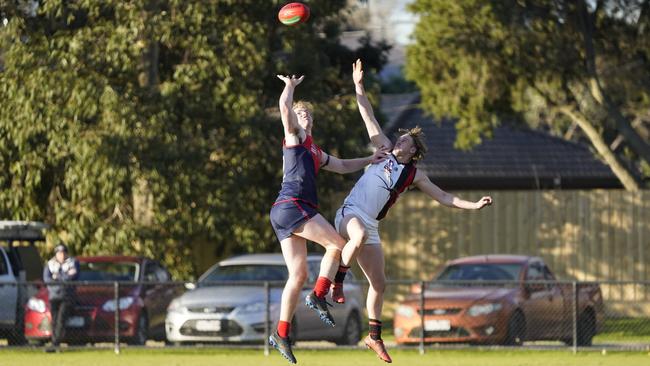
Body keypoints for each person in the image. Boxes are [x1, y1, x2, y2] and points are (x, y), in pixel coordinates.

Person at [332, 60, 493, 363]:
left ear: (411, 151)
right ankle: (337, 282)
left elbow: (444, 197)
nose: (398, 140)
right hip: (349, 213)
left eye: (404, 140)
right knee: (360, 233)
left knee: (380, 284)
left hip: (370, 226)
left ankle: (374, 337)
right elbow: (367, 114)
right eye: (399, 138)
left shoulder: (413, 175)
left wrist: (473, 205)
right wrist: (358, 87)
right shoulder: (381, 149)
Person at [268, 74, 388, 364]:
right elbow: (284, 109)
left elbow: (343, 165)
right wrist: (289, 87)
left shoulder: (315, 150)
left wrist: (368, 160)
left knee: (297, 276)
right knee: (337, 244)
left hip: (285, 213)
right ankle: (320, 294)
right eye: (300, 113)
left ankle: (281, 333)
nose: (303, 115)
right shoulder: (294, 138)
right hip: (293, 206)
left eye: (307, 112)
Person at [43, 243, 80, 346]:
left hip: (67, 297)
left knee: (61, 319)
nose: (62, 255)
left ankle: (55, 343)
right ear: (56, 254)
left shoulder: (73, 263)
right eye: (59, 253)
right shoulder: (50, 264)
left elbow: (72, 277)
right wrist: (64, 276)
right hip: (54, 296)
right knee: (54, 320)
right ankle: (55, 341)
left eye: (63, 253)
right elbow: (47, 279)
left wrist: (57, 277)